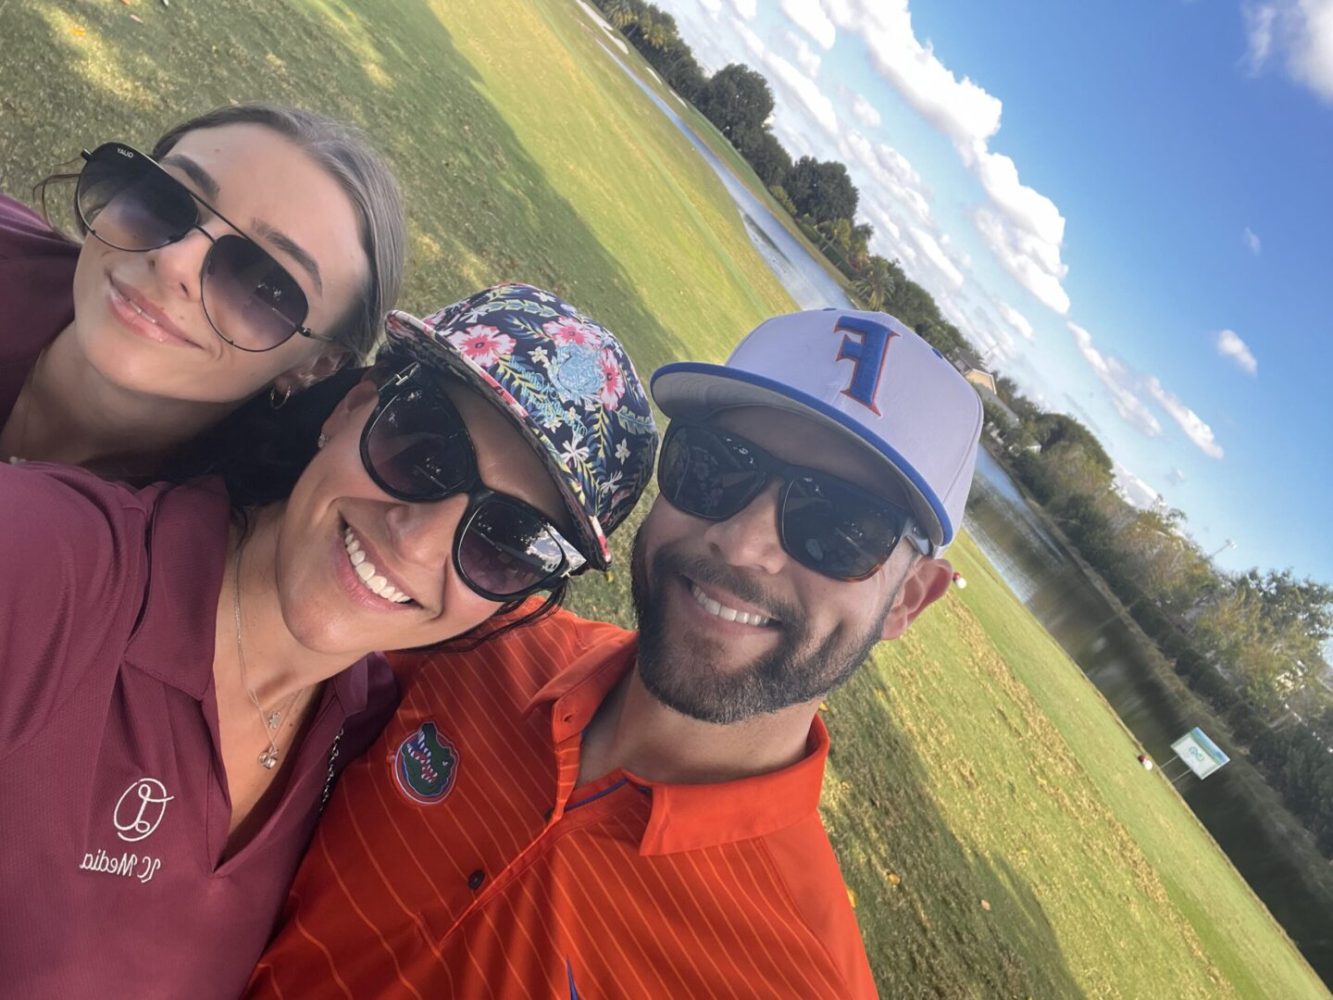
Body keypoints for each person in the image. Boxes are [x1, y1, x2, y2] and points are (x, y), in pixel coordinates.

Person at [249, 307, 984, 997]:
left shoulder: (800, 976)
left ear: (911, 598)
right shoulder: (474, 638)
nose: (742, 542)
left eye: (841, 524)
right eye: (715, 466)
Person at [0, 283, 658, 1000]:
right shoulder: (40, 565)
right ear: (350, 409)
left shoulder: (365, 741)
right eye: (424, 451)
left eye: (508, 540)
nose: (418, 540)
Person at [0, 102, 404, 478]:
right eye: (166, 201)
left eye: (268, 284)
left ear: (318, 366)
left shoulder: (215, 540)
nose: (174, 262)